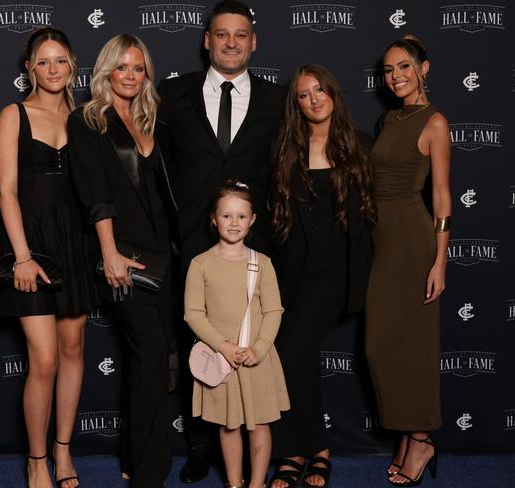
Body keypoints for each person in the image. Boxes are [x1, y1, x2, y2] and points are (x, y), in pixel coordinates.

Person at [157, 1, 285, 481]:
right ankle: (199, 446)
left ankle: (258, 438)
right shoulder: (171, 94)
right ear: (207, 40)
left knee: (255, 343)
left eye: (241, 34)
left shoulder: (278, 99)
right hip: (191, 244)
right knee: (199, 344)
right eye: (222, 34)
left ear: (254, 42)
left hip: (256, 245)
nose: (232, 42)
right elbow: (158, 168)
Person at [0, 27, 98, 488]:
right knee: (46, 359)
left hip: (75, 244)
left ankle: (63, 451)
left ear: (73, 64)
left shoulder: (86, 117)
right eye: (43, 62)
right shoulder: (15, 114)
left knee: (74, 350)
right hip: (30, 248)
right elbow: (7, 190)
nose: (53, 69)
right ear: (29, 68)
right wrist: (22, 257)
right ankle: (36, 460)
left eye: (61, 61)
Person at [67, 34, 176, 488]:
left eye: (139, 68)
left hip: (166, 254)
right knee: (149, 356)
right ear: (106, 71)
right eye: (122, 68)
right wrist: (110, 253)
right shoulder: (87, 120)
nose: (131, 76)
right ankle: (149, 474)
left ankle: (134, 456)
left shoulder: (150, 119)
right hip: (126, 254)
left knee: (148, 361)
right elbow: (96, 195)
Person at [267, 64, 375, 488]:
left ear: (333, 93)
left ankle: (301, 451)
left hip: (336, 273)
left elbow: (377, 215)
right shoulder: (287, 147)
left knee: (293, 350)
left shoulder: (359, 145)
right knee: (296, 355)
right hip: (293, 271)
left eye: (319, 91)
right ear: (295, 104)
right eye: (303, 95)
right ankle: (310, 448)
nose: (313, 100)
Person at [365, 34, 451, 486]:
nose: (395, 76)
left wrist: (439, 261)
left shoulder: (434, 121)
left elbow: (440, 196)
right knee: (381, 346)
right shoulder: (388, 120)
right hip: (383, 242)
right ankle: (406, 434)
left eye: (404, 67)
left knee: (414, 345)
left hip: (414, 243)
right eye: (388, 70)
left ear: (424, 68)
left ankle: (420, 438)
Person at [184, 180, 289, 488]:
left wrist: (259, 348)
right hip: (221, 359)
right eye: (226, 216)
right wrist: (223, 346)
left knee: (259, 426)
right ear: (213, 219)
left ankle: (256, 484)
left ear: (253, 220)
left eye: (241, 216)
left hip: (257, 359)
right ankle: (234, 483)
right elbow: (194, 314)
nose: (234, 223)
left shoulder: (263, 263)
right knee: (228, 427)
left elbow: (273, 311)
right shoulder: (200, 264)